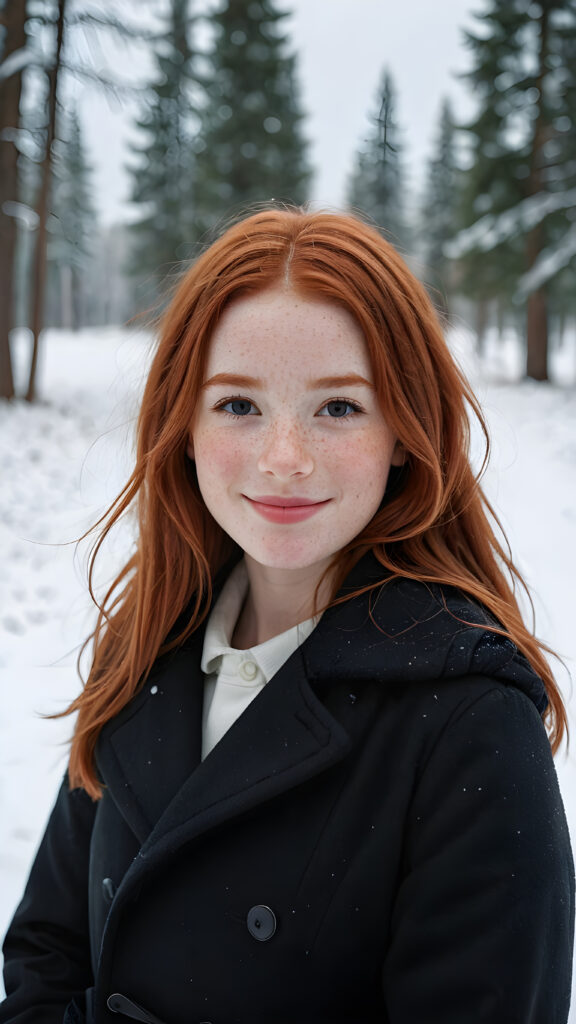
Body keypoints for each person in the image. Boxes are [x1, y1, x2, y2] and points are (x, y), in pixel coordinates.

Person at [0, 207, 573, 1024]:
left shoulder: (471, 722)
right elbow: (44, 954)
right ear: (185, 426)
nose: (284, 458)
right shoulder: (146, 645)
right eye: (238, 405)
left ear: (404, 432)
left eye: (338, 408)